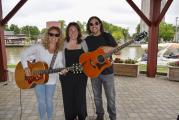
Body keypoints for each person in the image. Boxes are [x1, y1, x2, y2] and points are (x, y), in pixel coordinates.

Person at [21, 26, 64, 120]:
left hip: (51, 80)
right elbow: (24, 54)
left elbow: (59, 64)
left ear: (59, 37)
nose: (54, 37)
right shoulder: (39, 47)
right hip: (37, 78)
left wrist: (62, 71)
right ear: (47, 35)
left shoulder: (59, 51)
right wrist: (25, 67)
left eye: (56, 35)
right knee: (41, 102)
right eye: (51, 34)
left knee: (49, 101)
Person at [84, 16, 117, 120]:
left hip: (108, 72)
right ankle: (100, 115)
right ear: (89, 27)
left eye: (96, 23)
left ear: (100, 25)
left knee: (110, 97)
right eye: (91, 24)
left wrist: (107, 48)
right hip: (94, 73)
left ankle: (113, 117)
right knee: (97, 97)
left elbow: (118, 50)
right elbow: (84, 55)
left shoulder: (107, 36)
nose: (94, 25)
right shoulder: (87, 40)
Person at [60, 22, 88, 120]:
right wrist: (61, 68)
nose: (73, 32)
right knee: (68, 99)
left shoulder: (83, 43)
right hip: (66, 76)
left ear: (78, 32)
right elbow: (59, 59)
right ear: (67, 32)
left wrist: (84, 66)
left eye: (75, 30)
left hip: (81, 76)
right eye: (70, 30)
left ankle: (81, 117)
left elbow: (88, 58)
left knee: (80, 99)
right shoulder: (63, 44)